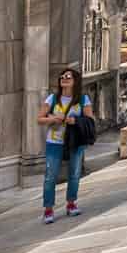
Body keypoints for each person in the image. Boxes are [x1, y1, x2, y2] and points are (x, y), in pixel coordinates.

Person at [36, 66, 92, 224]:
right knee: (50, 176)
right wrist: (53, 119)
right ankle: (48, 208)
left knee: (74, 173)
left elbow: (89, 120)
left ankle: (71, 202)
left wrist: (74, 121)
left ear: (75, 81)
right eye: (62, 77)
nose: (64, 79)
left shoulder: (83, 99)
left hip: (75, 141)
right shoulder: (52, 99)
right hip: (54, 141)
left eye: (68, 77)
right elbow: (40, 119)